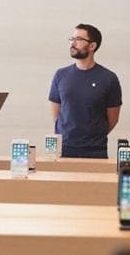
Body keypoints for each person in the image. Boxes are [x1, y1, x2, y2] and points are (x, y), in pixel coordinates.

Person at [48, 24, 122, 158]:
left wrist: (94, 136)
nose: (72, 43)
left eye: (78, 39)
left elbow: (113, 118)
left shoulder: (109, 78)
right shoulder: (60, 75)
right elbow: (56, 114)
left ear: (92, 46)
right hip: (63, 148)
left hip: (95, 151)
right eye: (72, 39)